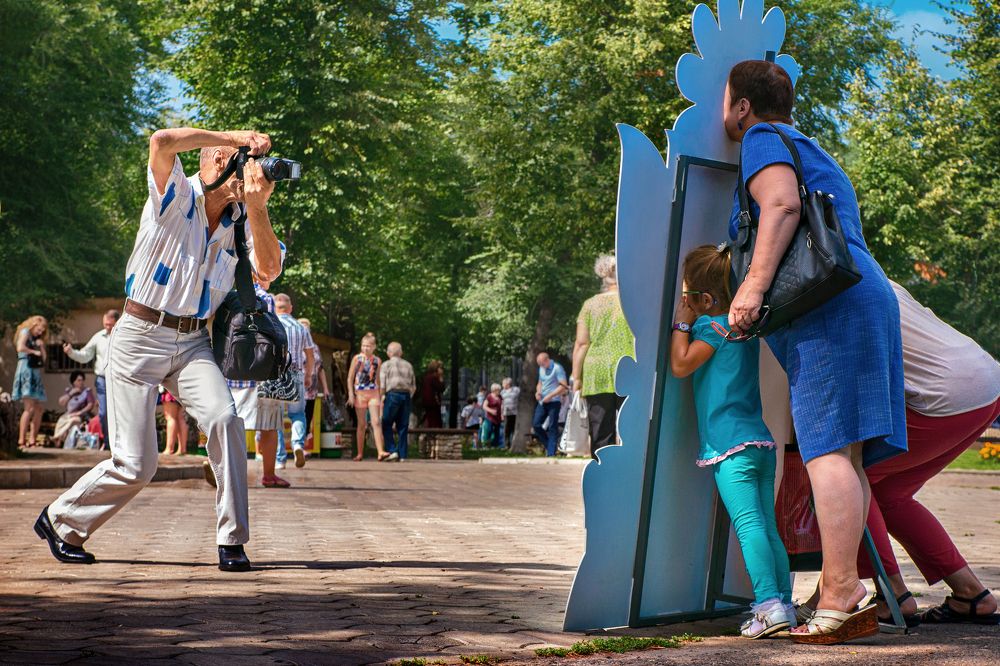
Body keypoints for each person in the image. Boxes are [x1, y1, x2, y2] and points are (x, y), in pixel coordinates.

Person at [35, 126, 282, 572]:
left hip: (192, 342)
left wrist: (258, 206)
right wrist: (232, 134)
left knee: (226, 419)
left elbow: (269, 270)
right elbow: (162, 141)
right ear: (208, 161)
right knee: (137, 464)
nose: (235, 168)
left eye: (239, 161)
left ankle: (232, 541)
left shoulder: (243, 219)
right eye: (227, 158)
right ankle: (61, 520)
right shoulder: (178, 195)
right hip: (138, 335)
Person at [723, 60, 905, 643]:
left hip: (829, 310)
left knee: (825, 448)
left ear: (743, 105)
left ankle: (839, 591)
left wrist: (750, 287)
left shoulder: (760, 139)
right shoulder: (807, 143)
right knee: (844, 454)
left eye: (726, 100)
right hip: (862, 297)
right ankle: (842, 588)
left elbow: (780, 206)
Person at [799, 281, 1000, 627]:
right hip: (985, 382)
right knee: (891, 494)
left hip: (941, 394)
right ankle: (972, 595)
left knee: (855, 477)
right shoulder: (876, 276)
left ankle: (892, 594)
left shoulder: (824, 290)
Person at [671, 245, 794, 639]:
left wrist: (681, 323)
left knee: (749, 524)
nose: (684, 299)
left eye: (687, 293)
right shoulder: (743, 328)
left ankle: (768, 606)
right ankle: (785, 604)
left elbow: (680, 364)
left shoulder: (710, 328)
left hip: (730, 448)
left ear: (703, 300)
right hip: (759, 443)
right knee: (768, 525)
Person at [226, 280, 289, 488]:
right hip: (261, 372)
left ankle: (230, 474)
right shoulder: (265, 298)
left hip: (232, 372)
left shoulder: (228, 296)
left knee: (234, 427)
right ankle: (269, 475)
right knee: (269, 427)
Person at [571, 254, 634, 460]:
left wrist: (576, 377)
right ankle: (631, 474)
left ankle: (601, 476)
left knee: (600, 432)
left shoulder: (590, 305)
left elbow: (581, 344)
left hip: (596, 371)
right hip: (629, 369)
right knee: (632, 429)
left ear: (602, 277)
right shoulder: (632, 303)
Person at [63, 309, 120, 449]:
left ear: (117, 322)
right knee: (104, 413)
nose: (107, 327)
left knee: (120, 413)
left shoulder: (124, 336)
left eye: (110, 325)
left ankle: (122, 444)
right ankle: (108, 443)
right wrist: (71, 352)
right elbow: (86, 355)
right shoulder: (98, 337)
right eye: (105, 324)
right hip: (102, 379)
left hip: (120, 380)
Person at [272, 293, 314, 469]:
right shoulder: (300, 327)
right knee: (297, 414)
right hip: (295, 374)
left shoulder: (271, 324)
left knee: (275, 419)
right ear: (290, 308)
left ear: (275, 308)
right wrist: (308, 375)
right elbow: (310, 356)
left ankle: (280, 459)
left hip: (274, 376)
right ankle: (297, 444)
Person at [346, 332, 391, 461]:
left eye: (368, 346)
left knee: (376, 422)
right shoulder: (357, 359)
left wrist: (381, 395)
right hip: (360, 393)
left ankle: (381, 451)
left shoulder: (377, 361)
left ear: (374, 347)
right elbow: (350, 378)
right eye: (363, 346)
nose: (365, 348)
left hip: (373, 393)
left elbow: (378, 379)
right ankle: (360, 453)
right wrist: (351, 394)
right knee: (362, 424)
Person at [12, 316, 48, 448]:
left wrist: (41, 347)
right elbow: (20, 347)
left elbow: (43, 359)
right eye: (39, 329)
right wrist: (33, 351)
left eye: (43, 330)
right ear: (34, 325)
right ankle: (21, 440)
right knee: (29, 407)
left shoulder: (37, 339)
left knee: (38, 409)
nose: (41, 332)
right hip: (26, 370)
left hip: (35, 372)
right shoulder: (25, 332)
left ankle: (32, 440)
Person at [298, 317, 330, 453]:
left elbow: (320, 369)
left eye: (307, 327)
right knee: (298, 416)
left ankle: (302, 446)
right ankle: (298, 445)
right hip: (298, 388)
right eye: (302, 327)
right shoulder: (294, 346)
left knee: (308, 417)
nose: (305, 329)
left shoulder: (314, 347)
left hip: (312, 390)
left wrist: (326, 388)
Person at [380, 341, 416, 460]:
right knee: (403, 426)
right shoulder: (408, 365)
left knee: (386, 422)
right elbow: (413, 386)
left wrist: (381, 397)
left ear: (388, 353)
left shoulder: (386, 365)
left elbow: (382, 385)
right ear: (401, 353)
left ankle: (392, 450)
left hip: (392, 394)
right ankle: (403, 455)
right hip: (406, 395)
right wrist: (408, 396)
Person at [532, 352, 568, 456]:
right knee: (536, 424)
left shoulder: (558, 368)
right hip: (542, 401)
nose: (541, 366)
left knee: (552, 426)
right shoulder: (541, 368)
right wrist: (538, 392)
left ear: (547, 360)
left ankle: (551, 453)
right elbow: (540, 383)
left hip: (554, 401)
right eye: (539, 364)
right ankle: (550, 445)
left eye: (542, 364)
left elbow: (563, 386)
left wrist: (551, 396)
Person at [53, 371, 97, 447]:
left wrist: (79, 413)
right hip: (68, 415)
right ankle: (59, 440)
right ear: (73, 382)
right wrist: (71, 394)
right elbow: (61, 402)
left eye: (82, 380)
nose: (81, 382)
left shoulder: (87, 391)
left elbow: (90, 405)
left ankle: (57, 437)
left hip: (81, 415)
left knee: (73, 421)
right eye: (79, 380)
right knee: (61, 420)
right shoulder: (69, 391)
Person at [159, 388, 188, 456]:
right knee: (180, 418)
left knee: (170, 417)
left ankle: (169, 449)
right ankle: (182, 449)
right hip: (181, 391)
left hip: (170, 390)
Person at [420, 360, 445, 427]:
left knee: (430, 419)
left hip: (427, 402)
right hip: (433, 402)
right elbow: (441, 388)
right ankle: (433, 435)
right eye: (440, 368)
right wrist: (441, 377)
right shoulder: (433, 378)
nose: (441, 369)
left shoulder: (426, 377)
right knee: (434, 421)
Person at [481, 383, 503, 448]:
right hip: (490, 417)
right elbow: (484, 406)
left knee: (497, 432)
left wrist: (502, 414)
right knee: (489, 430)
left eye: (499, 390)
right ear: (494, 390)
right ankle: (486, 445)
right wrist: (491, 411)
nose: (499, 391)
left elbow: (502, 405)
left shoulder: (500, 397)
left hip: (498, 418)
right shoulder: (489, 396)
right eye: (498, 390)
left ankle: (495, 445)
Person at [500, 378, 519, 449]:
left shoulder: (516, 390)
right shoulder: (502, 392)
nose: (502, 385)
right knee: (506, 430)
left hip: (515, 413)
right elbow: (502, 404)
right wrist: (501, 413)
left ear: (507, 384)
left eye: (503, 383)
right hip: (506, 414)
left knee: (514, 429)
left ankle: (514, 445)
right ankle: (507, 445)